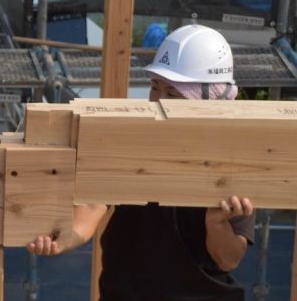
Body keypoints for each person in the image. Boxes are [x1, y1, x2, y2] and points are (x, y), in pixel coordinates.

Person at [26, 24, 255, 300]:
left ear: (213, 100)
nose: (158, 100)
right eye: (155, 87)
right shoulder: (130, 142)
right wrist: (63, 237)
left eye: (173, 93)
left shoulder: (234, 158)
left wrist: (217, 224)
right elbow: (92, 206)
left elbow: (229, 259)